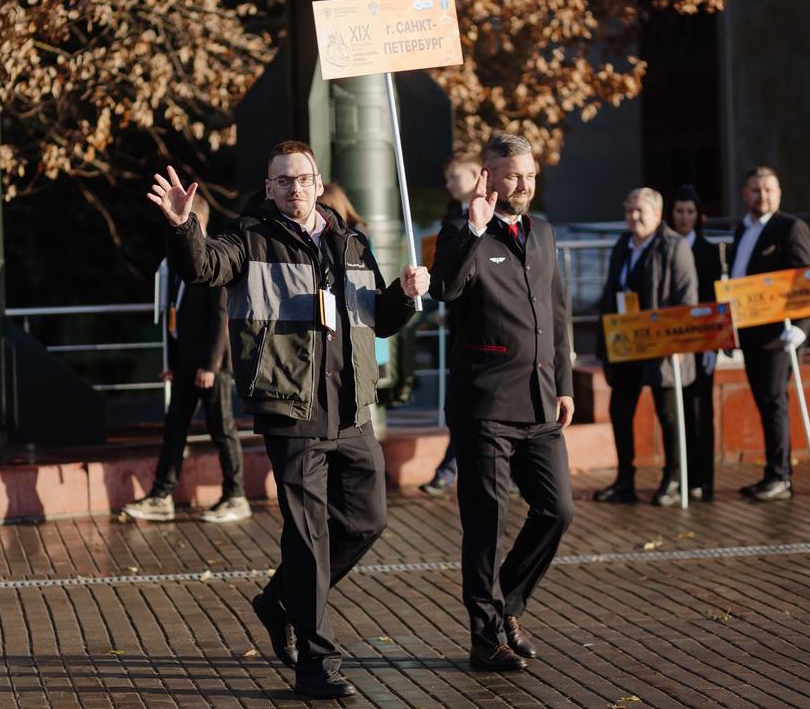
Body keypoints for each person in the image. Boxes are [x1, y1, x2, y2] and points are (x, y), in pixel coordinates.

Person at [146, 141, 428, 700]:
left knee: (368, 521)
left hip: (351, 410)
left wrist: (404, 293)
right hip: (290, 408)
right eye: (282, 181)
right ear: (270, 188)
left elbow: (379, 319)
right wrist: (182, 229)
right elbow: (203, 268)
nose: (294, 188)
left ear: (318, 183)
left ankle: (280, 599)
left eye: (302, 178)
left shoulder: (351, 242)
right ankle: (316, 665)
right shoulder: (249, 239)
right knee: (307, 539)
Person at [428, 133, 575, 672]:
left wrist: (565, 385)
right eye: (514, 175)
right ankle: (485, 636)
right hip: (484, 405)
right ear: (488, 176)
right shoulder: (459, 233)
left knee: (557, 510)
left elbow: (558, 317)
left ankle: (508, 604)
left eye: (531, 175)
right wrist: (473, 228)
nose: (525, 185)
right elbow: (444, 290)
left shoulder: (545, 234)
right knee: (486, 524)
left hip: (540, 403)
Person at [121, 194, 249, 523]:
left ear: (196, 220)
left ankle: (235, 495)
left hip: (211, 367)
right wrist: (171, 361)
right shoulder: (175, 264)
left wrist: (211, 364)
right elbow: (173, 315)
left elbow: (222, 317)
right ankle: (162, 495)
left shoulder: (214, 259)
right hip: (184, 364)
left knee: (222, 429)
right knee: (174, 427)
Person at [592, 188, 698, 506]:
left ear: (658, 214)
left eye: (640, 211)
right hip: (625, 344)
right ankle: (625, 479)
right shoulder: (623, 245)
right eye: (629, 211)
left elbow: (686, 297)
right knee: (620, 411)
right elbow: (612, 291)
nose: (633, 217)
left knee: (668, 414)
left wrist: (680, 343)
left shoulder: (674, 246)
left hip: (662, 346)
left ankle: (674, 479)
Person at [730, 167, 810, 502]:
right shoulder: (742, 229)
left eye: (768, 190)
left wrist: (801, 328)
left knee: (776, 403)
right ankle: (771, 473)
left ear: (778, 193)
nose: (761, 196)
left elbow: (804, 280)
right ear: (744, 194)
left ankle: (781, 476)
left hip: (780, 336)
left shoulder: (790, 227)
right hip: (750, 334)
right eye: (755, 190)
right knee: (765, 405)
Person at [422, 152, 482, 496]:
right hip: (459, 322)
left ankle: (448, 469)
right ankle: (449, 469)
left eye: (454, 176)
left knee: (469, 404)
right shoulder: (451, 215)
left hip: (480, 326)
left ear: (476, 174)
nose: (448, 185)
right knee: (462, 402)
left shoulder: (490, 215)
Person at [670, 184, 726, 501]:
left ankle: (704, 479)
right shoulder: (666, 247)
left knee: (701, 412)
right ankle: (683, 475)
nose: (685, 217)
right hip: (674, 343)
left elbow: (715, 300)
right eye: (679, 211)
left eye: (690, 212)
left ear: (698, 216)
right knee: (678, 413)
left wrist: (712, 345)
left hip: (702, 344)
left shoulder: (707, 251)